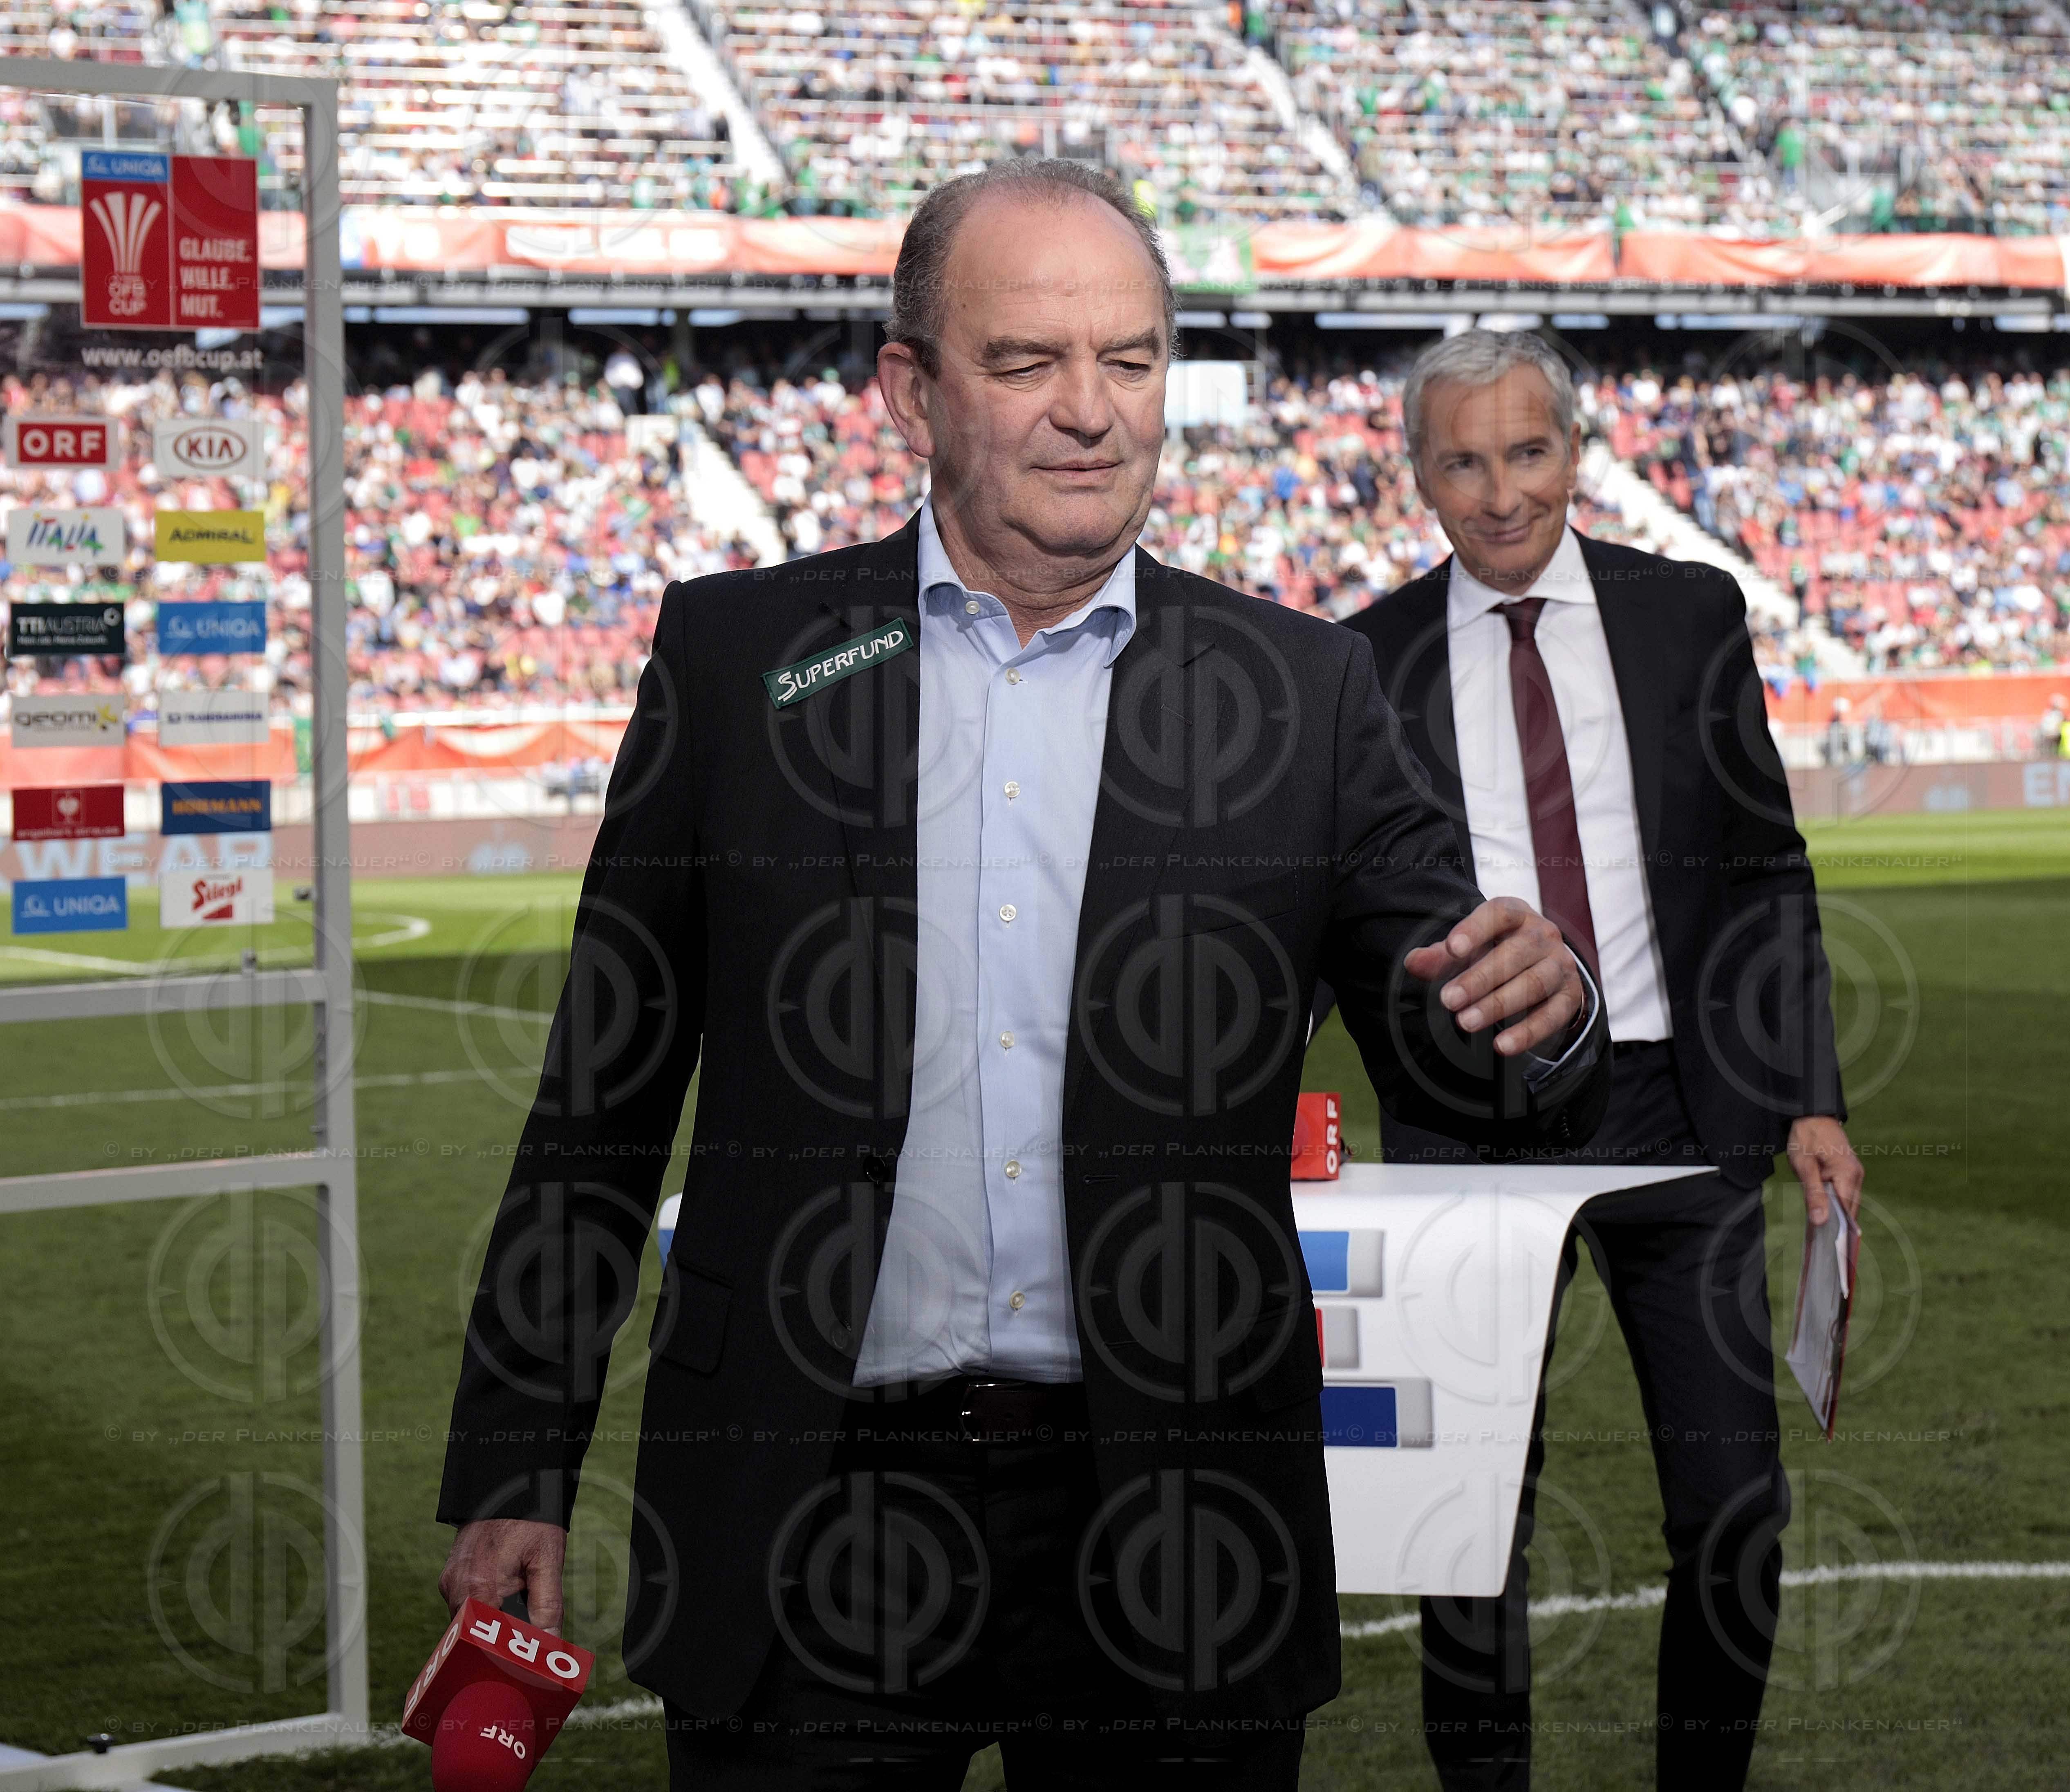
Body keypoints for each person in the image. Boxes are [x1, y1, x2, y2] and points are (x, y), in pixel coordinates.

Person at [435, 164, 1611, 1791]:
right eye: (1027, 363)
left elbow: (1463, 1038)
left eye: (1129, 362)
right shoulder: (740, 660)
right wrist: (517, 1459)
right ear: (911, 388)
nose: (1091, 412)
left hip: (1173, 1528)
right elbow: (601, 1096)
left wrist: (1538, 1009)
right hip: (808, 1511)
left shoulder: (1305, 688)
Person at [1336, 328, 1863, 1791]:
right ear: (1419, 478)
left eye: (1528, 452)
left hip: (1680, 1115)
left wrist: (1811, 1090)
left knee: (1734, 1507)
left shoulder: (1689, 614)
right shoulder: (1361, 661)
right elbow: (1326, 912)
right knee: (1471, 1530)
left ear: (1576, 450)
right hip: (1466, 1129)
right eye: (1463, 461)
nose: (1501, 492)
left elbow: (1766, 867)